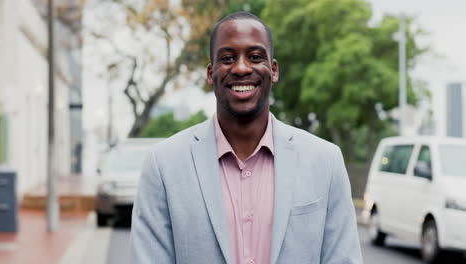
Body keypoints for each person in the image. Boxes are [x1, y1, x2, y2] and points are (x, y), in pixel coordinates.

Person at [130, 11, 362, 264]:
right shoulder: (163, 164)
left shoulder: (325, 161)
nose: (241, 68)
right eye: (228, 58)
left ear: (273, 71)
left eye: (254, 57)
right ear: (211, 73)